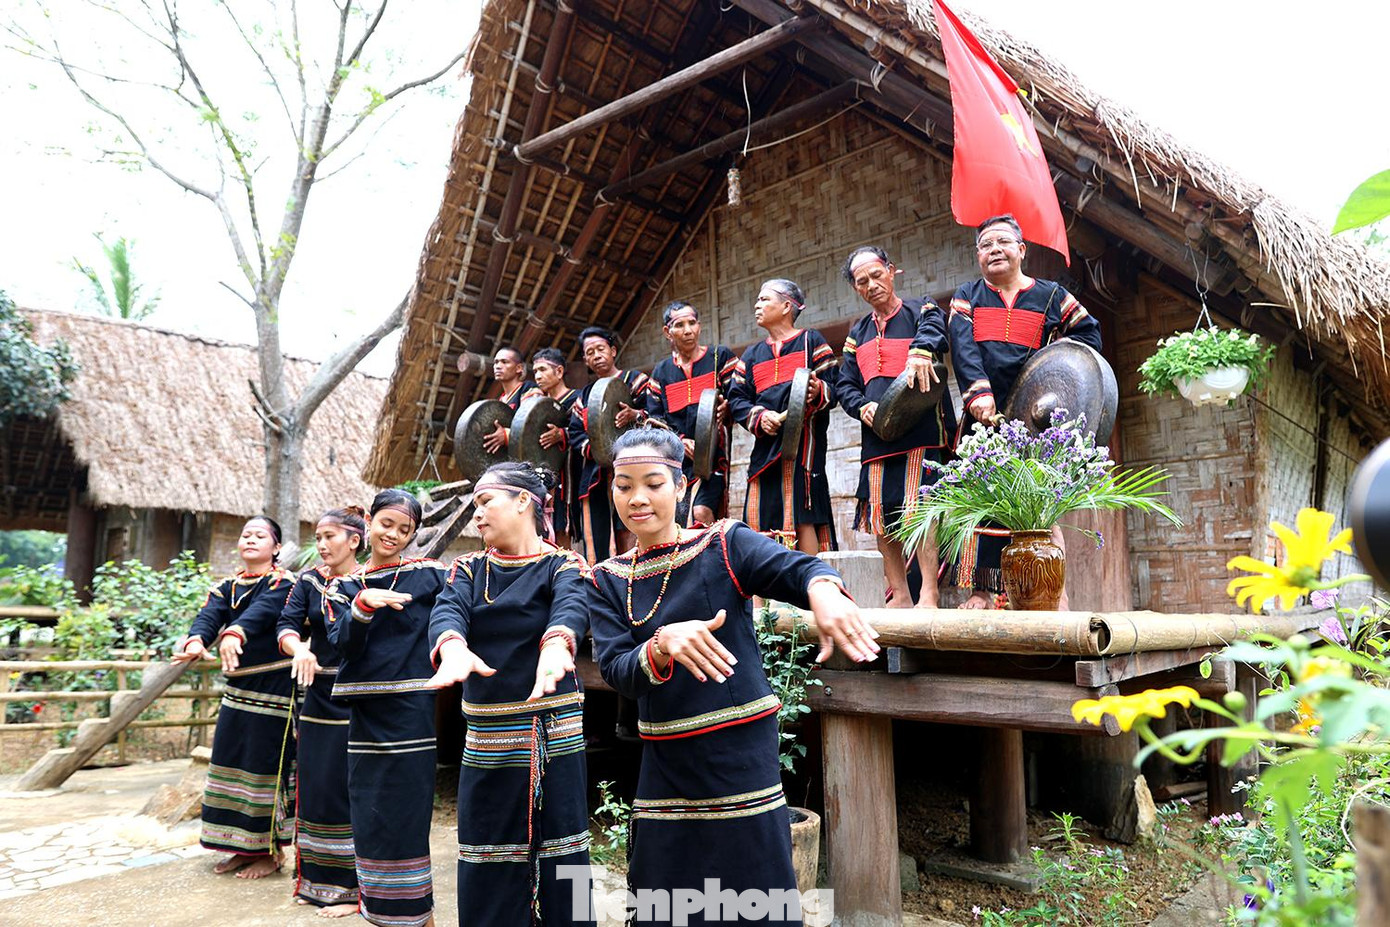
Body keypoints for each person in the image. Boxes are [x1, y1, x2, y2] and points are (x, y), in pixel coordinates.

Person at [587, 428, 878, 925]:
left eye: (653, 483)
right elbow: (617, 670)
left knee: (754, 893)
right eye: (624, 485)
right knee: (667, 899)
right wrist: (661, 645)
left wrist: (824, 591)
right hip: (667, 761)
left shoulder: (724, 544)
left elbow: (797, 570)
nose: (637, 498)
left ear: (681, 487)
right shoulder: (608, 579)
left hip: (740, 755)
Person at [425, 462, 593, 926]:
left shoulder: (563, 564)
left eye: (485, 502)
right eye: (474, 505)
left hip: (553, 733)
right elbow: (448, 612)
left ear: (524, 502)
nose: (477, 515)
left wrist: (557, 644)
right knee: (485, 848)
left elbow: (572, 605)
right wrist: (454, 648)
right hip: (488, 739)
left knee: (564, 848)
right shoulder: (468, 569)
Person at [908, 214, 1102, 608]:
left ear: (1021, 250)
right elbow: (961, 347)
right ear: (978, 255)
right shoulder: (968, 295)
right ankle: (981, 590)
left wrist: (1052, 378)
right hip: (982, 418)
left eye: (1002, 242)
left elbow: (1087, 336)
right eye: (985, 245)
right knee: (978, 503)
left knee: (1041, 507)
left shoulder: (1052, 296)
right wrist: (977, 394)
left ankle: (1054, 593)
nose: (994, 250)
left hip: (1033, 424)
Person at [324, 489, 446, 927]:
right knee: (369, 814)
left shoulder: (430, 575)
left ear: (413, 534)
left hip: (411, 710)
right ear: (369, 522)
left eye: (404, 529)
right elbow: (341, 646)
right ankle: (381, 913)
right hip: (365, 717)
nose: (393, 535)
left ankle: (419, 916)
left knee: (407, 818)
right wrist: (362, 607)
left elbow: (459, 610)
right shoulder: (343, 586)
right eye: (386, 524)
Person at [173, 516, 296, 879]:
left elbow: (264, 613)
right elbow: (208, 616)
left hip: (273, 691)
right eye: (246, 535)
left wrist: (235, 632)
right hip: (237, 690)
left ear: (276, 547)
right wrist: (197, 639)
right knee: (230, 763)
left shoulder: (284, 583)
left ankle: (269, 853)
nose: (251, 540)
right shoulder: (225, 586)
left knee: (263, 767)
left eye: (261, 536)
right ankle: (240, 848)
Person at [837, 246, 956, 608]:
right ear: (857, 289)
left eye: (876, 275)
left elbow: (937, 331)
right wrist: (862, 406)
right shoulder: (856, 334)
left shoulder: (922, 309)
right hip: (877, 435)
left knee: (920, 511)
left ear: (892, 271)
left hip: (921, 431)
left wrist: (920, 349)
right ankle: (901, 594)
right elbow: (844, 384)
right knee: (880, 516)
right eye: (862, 282)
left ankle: (929, 595)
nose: (872, 285)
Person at [276, 506, 368, 916]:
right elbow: (287, 625)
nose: (322, 545)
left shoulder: (369, 580)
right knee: (316, 785)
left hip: (358, 696)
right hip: (316, 696)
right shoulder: (309, 581)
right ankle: (316, 880)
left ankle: (355, 889)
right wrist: (300, 649)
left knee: (352, 788)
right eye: (317, 538)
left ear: (354, 541)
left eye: (330, 536)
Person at [726, 279, 839, 554]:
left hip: (804, 449)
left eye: (765, 299)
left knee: (803, 518)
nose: (757, 305)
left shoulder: (811, 341)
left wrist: (817, 390)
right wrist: (760, 416)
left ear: (787, 305)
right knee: (759, 521)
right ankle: (764, 595)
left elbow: (835, 387)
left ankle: (811, 587)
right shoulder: (752, 355)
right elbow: (736, 399)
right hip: (765, 451)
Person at [645, 300, 741, 526]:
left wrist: (727, 408)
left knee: (701, 512)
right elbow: (655, 420)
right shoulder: (661, 372)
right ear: (668, 332)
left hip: (714, 459)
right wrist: (680, 442)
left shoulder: (720, 357)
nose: (688, 330)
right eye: (680, 325)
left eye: (692, 323)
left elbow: (739, 398)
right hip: (676, 462)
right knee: (678, 520)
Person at [566, 325, 654, 564]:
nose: (596, 355)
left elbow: (657, 414)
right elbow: (575, 432)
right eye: (590, 352)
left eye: (601, 349)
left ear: (613, 351)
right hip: (594, 476)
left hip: (634, 471)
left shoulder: (635, 381)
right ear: (585, 359)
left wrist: (635, 414)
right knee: (595, 535)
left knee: (631, 526)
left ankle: (637, 580)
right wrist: (597, 451)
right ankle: (600, 587)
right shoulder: (582, 396)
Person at [528, 346, 582, 549]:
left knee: (562, 527)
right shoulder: (538, 405)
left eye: (543, 370)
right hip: (544, 476)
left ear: (559, 372)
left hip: (568, 476)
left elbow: (586, 431)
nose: (538, 376)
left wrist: (563, 434)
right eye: (535, 372)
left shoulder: (576, 399)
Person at [483, 346, 537, 455]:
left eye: (505, 362)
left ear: (519, 368)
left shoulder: (528, 389)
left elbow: (533, 426)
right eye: (496, 362)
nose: (498, 366)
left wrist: (506, 435)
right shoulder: (501, 400)